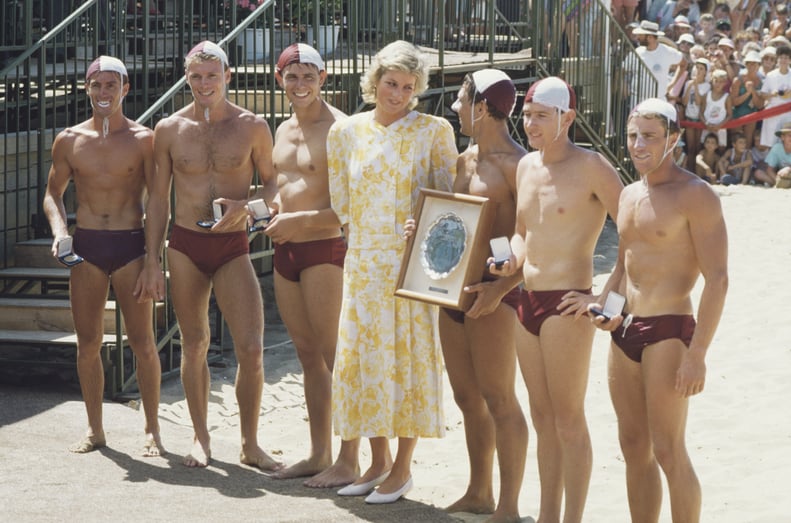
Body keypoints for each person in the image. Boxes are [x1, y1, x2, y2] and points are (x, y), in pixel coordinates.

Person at [139, 40, 281, 469]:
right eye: (197, 76)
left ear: (227, 76)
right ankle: (201, 438)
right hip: (184, 245)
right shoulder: (169, 129)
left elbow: (274, 184)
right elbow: (159, 201)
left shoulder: (253, 125)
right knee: (195, 342)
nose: (205, 84)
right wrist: (151, 260)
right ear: (188, 78)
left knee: (252, 349)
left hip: (232, 245)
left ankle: (250, 442)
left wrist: (250, 210)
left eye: (212, 76)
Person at [327, 40, 456, 504]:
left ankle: (402, 470)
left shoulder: (434, 130)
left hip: (410, 268)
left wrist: (420, 223)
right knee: (363, 361)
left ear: (417, 89)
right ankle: (377, 461)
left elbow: (449, 208)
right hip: (362, 264)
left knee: (408, 361)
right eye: (390, 83)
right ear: (374, 81)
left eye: (407, 85)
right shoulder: (346, 132)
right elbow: (342, 203)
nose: (397, 93)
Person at [588, 97, 728, 523]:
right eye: (633, 135)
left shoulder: (695, 194)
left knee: (668, 449)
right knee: (633, 446)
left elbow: (718, 279)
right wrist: (606, 306)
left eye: (649, 136)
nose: (638, 144)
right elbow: (623, 266)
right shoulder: (630, 195)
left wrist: (698, 354)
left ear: (672, 138)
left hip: (669, 329)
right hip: (625, 330)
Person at [491, 77, 623, 522]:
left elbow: (637, 230)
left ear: (566, 118)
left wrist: (603, 294)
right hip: (527, 301)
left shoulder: (592, 167)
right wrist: (511, 258)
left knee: (568, 421)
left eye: (541, 116)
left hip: (568, 306)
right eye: (526, 115)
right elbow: (523, 232)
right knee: (543, 419)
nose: (530, 124)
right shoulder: (526, 166)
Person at [42, 55, 164, 456]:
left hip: (131, 246)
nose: (103, 92)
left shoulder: (145, 139)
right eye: (96, 85)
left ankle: (151, 430)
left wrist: (152, 259)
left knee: (143, 342)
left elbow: (159, 200)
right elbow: (52, 194)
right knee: (88, 342)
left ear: (125, 88)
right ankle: (96, 430)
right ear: (87, 89)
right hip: (89, 246)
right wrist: (61, 231)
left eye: (111, 84)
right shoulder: (70, 139)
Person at [264, 43, 357, 487]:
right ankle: (319, 452)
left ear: (323, 78)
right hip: (286, 253)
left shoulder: (341, 129)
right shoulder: (281, 129)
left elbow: (353, 207)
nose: (299, 85)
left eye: (308, 76)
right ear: (279, 79)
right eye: (291, 76)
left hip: (324, 251)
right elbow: (281, 192)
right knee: (307, 357)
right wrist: (250, 207)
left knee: (337, 356)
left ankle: (350, 458)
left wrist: (299, 220)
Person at [440, 69, 528, 521]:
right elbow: (454, 225)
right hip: (455, 294)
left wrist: (501, 289)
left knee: (499, 398)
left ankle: (509, 507)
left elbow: (534, 239)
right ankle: (480, 492)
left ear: (480, 106)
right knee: (466, 398)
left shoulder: (520, 165)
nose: (454, 108)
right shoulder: (463, 160)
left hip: (497, 298)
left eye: (459, 100)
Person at [630, 20, 687, 102]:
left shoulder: (668, 52)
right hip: (636, 99)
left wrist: (671, 84)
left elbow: (684, 64)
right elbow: (624, 69)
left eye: (640, 35)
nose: (637, 38)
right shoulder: (637, 51)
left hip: (658, 100)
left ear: (650, 37)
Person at [759, 45, 791, 147]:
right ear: (777, 59)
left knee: (787, 144)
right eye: (781, 57)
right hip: (773, 113)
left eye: (786, 58)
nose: (783, 60)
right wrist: (772, 94)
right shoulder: (770, 75)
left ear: (790, 60)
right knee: (771, 144)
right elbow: (763, 94)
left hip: (788, 113)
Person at [764, 120, 791, 187]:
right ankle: (782, 184)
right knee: (758, 173)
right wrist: (778, 180)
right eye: (790, 135)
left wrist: (789, 169)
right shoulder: (777, 148)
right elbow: (769, 169)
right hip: (780, 175)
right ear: (782, 137)